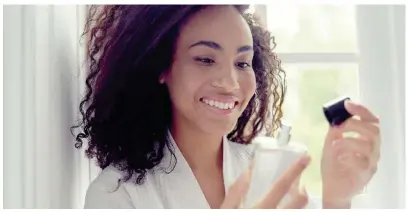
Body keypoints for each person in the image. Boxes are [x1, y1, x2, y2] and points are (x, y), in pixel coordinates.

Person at [72, 5, 381, 209]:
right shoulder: (116, 194)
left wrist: (338, 198)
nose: (230, 82)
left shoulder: (271, 172)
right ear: (161, 67)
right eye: (206, 59)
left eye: (242, 63)